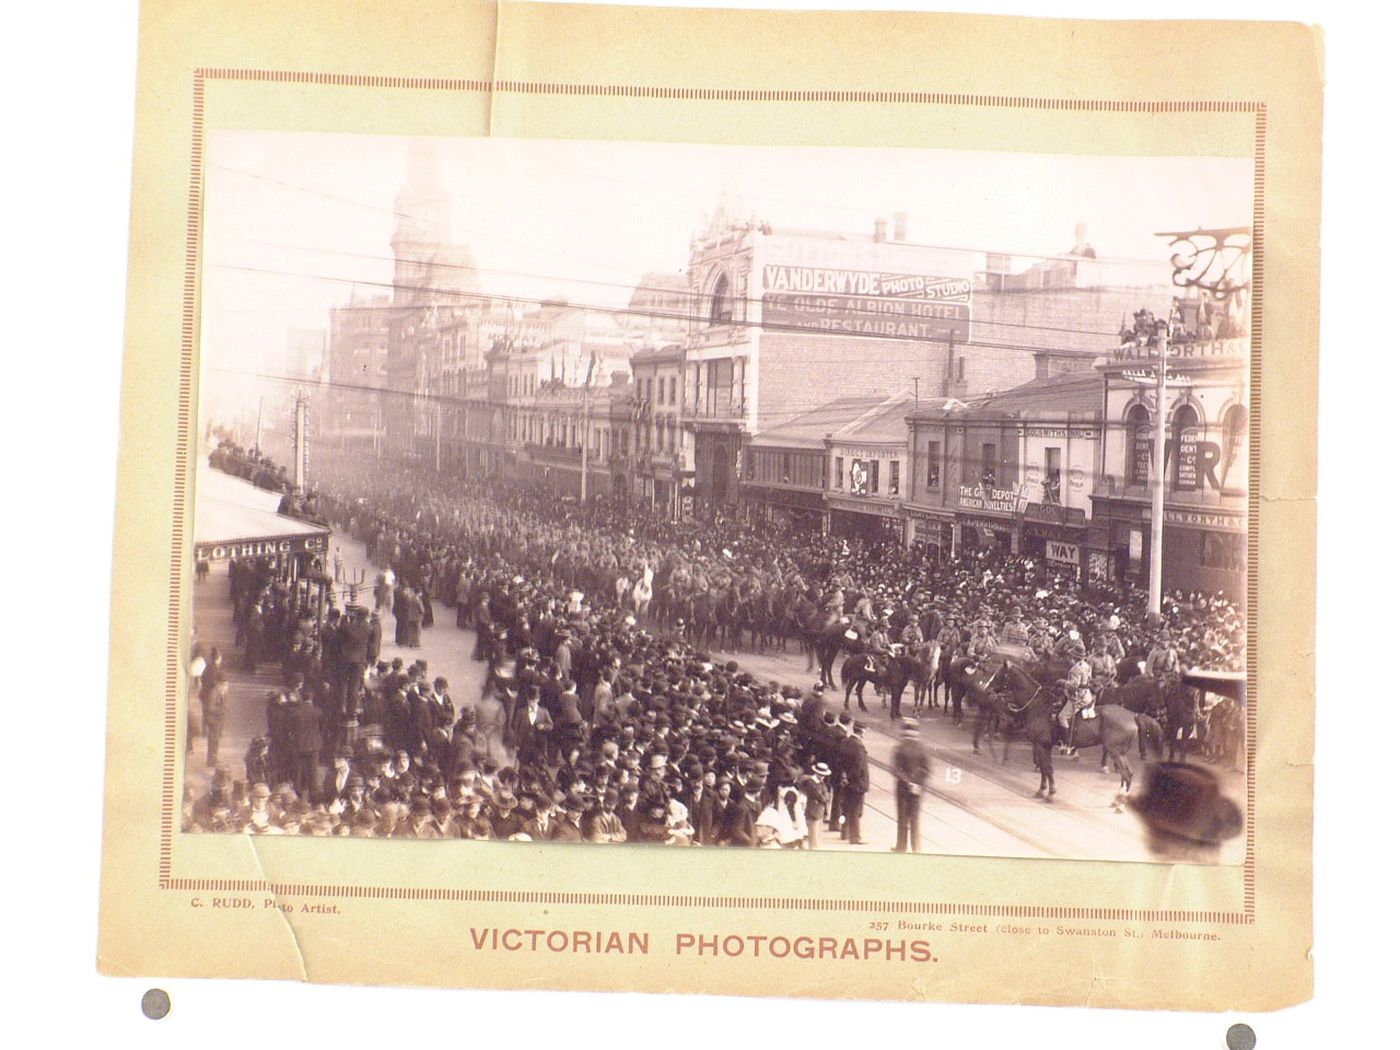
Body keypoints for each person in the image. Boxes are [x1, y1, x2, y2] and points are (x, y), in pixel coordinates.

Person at [891, 719, 930, 853]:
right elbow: (926, 769)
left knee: (902, 819)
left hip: (903, 789)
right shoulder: (921, 749)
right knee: (915, 819)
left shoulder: (899, 748)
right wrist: (916, 783)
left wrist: (908, 782)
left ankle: (901, 847)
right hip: (918, 790)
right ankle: (916, 847)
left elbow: (896, 770)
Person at [1056, 643, 1095, 756]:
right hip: (1087, 694)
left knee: (1062, 717)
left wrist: (1062, 682)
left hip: (1078, 697)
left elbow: (1074, 685)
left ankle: (1068, 743)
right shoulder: (1086, 665)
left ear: (1075, 657)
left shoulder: (1076, 669)